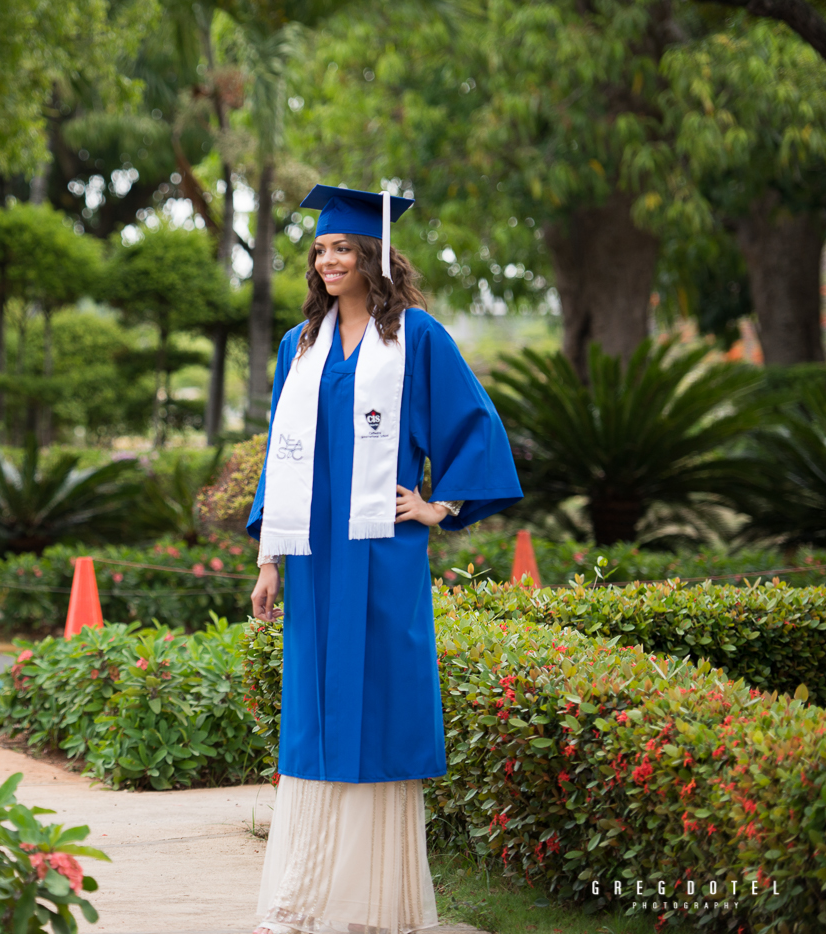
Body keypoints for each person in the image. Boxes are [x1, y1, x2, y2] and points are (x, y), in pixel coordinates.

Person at [246, 184, 523, 934]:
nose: (326, 259)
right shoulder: (296, 348)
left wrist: (438, 504)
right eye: (320, 249)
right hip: (313, 556)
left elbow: (474, 423)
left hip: (380, 552)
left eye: (340, 248)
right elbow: (279, 457)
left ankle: (373, 901)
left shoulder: (417, 338)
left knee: (378, 704)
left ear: (371, 256)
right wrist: (269, 559)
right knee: (313, 714)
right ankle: (306, 893)